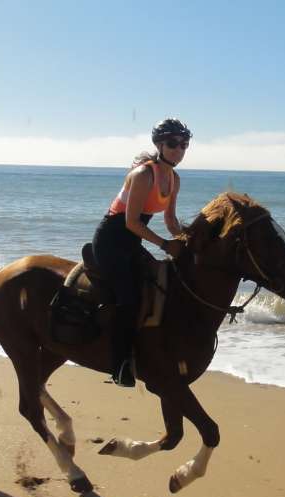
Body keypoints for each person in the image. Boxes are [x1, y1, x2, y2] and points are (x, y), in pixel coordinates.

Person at [92, 118, 190, 387]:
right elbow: (131, 222)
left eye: (184, 144)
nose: (178, 150)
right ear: (159, 144)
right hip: (111, 241)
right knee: (130, 299)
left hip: (133, 242)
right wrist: (164, 245)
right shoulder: (143, 175)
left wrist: (189, 240)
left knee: (160, 287)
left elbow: (171, 221)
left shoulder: (174, 179)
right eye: (172, 144)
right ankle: (120, 364)